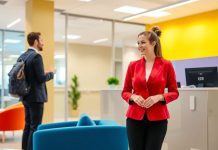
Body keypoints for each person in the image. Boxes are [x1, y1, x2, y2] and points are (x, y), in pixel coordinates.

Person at [121, 26, 179, 150]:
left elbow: (174, 92)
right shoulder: (133, 65)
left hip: (158, 119)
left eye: (143, 42)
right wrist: (133, 96)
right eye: (138, 43)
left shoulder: (166, 65)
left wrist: (159, 97)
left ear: (153, 43)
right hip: (134, 118)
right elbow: (125, 91)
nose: (139, 46)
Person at [20, 32, 55, 150]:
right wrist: (51, 73)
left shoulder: (23, 56)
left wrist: (43, 72)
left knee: (28, 125)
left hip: (25, 96)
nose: (43, 43)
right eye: (41, 40)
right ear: (36, 42)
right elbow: (40, 79)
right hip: (36, 97)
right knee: (35, 127)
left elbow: (30, 75)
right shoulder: (36, 56)